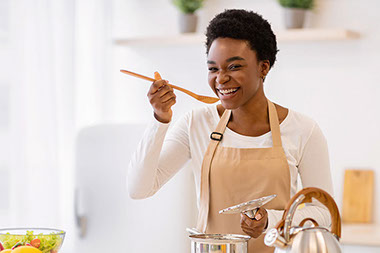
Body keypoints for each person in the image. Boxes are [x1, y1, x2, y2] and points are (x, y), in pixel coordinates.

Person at [128, 9, 333, 252]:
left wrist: (271, 220)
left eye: (234, 67)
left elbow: (324, 212)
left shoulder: (303, 130)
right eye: (213, 69)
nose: (221, 79)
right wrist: (160, 119)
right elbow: (139, 189)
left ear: (263, 67)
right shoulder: (195, 123)